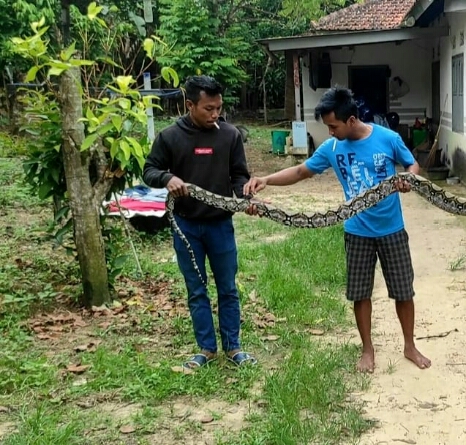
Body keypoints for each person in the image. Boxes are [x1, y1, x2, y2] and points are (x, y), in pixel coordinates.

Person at [243, 86, 431, 373]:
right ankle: (367, 349)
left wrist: (408, 179)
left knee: (404, 291)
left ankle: (409, 345)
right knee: (360, 293)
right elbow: (300, 172)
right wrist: (266, 179)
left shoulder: (388, 138)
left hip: (392, 228)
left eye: (334, 126)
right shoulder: (331, 149)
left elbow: (412, 164)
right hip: (357, 231)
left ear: (352, 120)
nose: (330, 132)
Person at [143, 75, 257, 370]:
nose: (215, 114)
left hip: (220, 225)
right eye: (208, 108)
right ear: (190, 104)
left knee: (228, 287)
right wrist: (168, 178)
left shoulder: (230, 136)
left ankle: (233, 347)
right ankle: (206, 348)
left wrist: (246, 197)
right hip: (186, 226)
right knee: (197, 288)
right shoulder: (170, 137)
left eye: (218, 108)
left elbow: (239, 176)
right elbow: (150, 170)